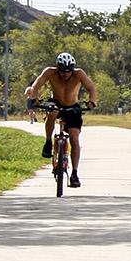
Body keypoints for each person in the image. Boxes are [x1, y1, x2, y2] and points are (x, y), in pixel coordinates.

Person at [24, 52, 97, 188]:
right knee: (52, 111)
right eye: (62, 71)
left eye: (68, 72)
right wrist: (34, 97)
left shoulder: (79, 74)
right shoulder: (50, 72)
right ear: (57, 68)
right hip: (55, 102)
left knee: (74, 138)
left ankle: (74, 173)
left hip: (72, 106)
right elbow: (36, 86)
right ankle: (47, 142)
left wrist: (91, 101)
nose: (65, 74)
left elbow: (91, 87)